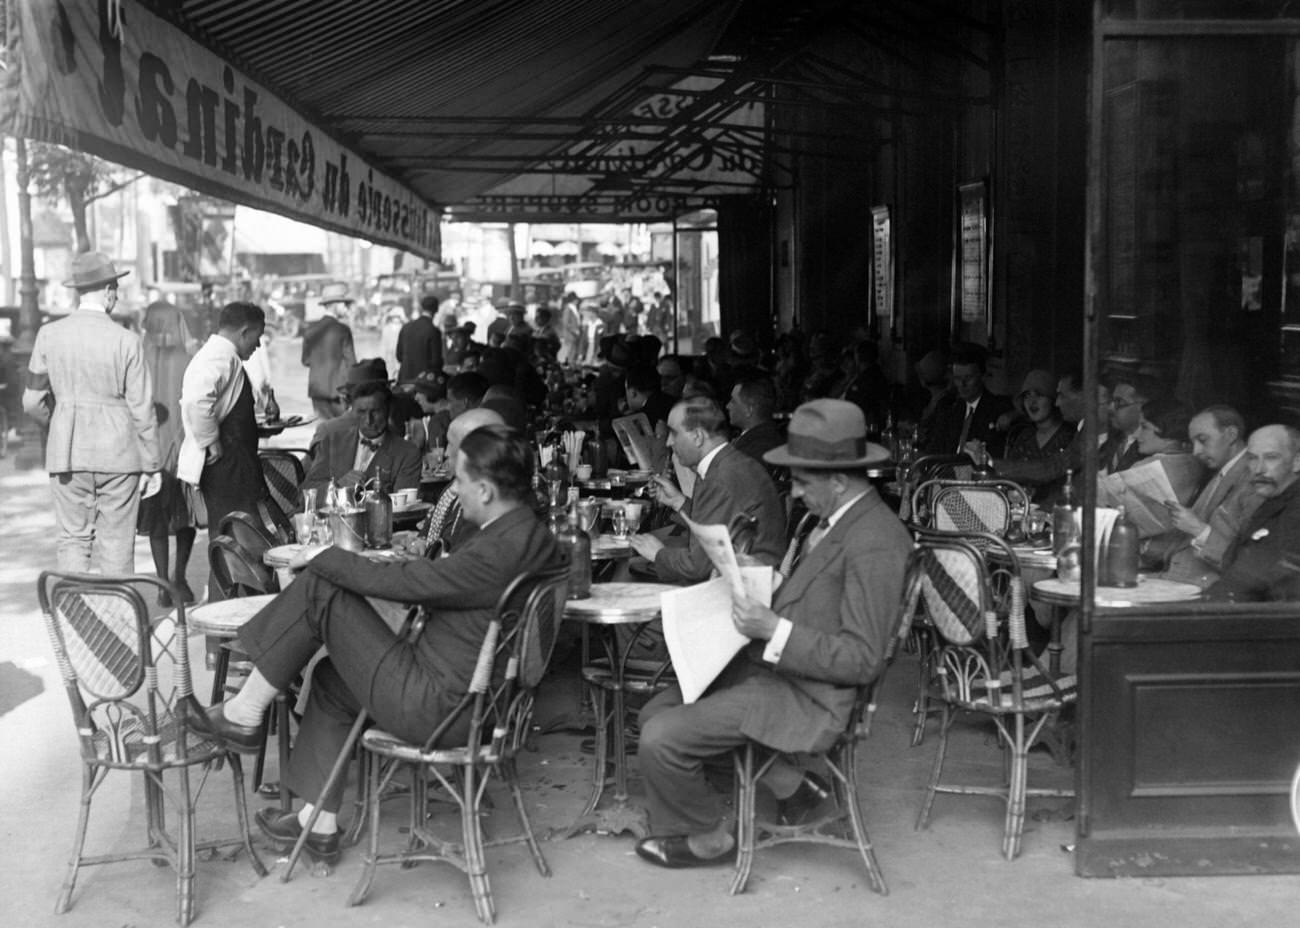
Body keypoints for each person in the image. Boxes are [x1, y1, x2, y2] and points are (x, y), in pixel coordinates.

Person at [192, 426, 564, 862]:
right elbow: (448, 585)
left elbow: (411, 584)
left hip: (442, 707)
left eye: (459, 481)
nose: (455, 490)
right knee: (333, 679)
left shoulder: (498, 550)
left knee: (320, 589)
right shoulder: (533, 535)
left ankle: (245, 712)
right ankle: (319, 821)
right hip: (484, 702)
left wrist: (323, 557)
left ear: (484, 489)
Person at [633, 399, 911, 868]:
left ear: (838, 480)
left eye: (802, 482)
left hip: (812, 695)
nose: (796, 494)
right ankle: (788, 783)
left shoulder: (876, 542)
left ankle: (708, 837)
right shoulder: (839, 521)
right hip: (784, 673)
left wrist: (774, 629)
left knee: (661, 736)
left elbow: (863, 659)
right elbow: (820, 599)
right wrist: (762, 581)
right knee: (655, 711)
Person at [23, 251, 161, 575]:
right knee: (116, 543)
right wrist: (152, 465)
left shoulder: (48, 335)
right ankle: (118, 621)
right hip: (120, 456)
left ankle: (79, 623)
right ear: (110, 289)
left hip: (67, 453)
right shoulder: (128, 341)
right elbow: (143, 410)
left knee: (72, 539)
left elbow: (31, 401)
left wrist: (57, 423)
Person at [628, 396, 786, 584]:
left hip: (745, 589)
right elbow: (718, 527)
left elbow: (697, 568)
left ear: (697, 436)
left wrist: (658, 554)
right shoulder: (727, 464)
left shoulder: (721, 477)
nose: (668, 442)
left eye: (674, 433)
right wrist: (679, 502)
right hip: (743, 576)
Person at [178, 302, 270, 599]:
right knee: (234, 545)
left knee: (239, 541)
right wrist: (210, 439)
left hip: (236, 463)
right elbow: (196, 401)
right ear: (245, 331)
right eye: (257, 337)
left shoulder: (223, 355)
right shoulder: (219, 355)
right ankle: (229, 613)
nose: (257, 345)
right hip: (226, 468)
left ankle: (236, 606)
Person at [1143, 405, 1260, 588]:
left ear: (1231, 434)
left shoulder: (1252, 480)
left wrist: (1197, 529)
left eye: (1203, 440)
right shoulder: (1219, 472)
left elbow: (1246, 559)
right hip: (1174, 577)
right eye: (1194, 442)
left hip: (1203, 588)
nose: (1196, 451)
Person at [138, 301, 199, 606]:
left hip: (150, 452)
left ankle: (163, 583)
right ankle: (180, 578)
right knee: (185, 518)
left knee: (157, 522)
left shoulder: (138, 360)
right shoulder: (189, 360)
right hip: (183, 450)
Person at [1205, 424, 1300, 603]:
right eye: (1252, 458)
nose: (1258, 469)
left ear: (1297, 461)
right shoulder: (1273, 500)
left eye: (1271, 458)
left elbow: (1254, 579)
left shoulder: (1295, 511)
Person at [401, 406, 507, 558]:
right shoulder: (453, 487)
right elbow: (430, 535)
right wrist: (421, 542)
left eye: (450, 443)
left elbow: (456, 564)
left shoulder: (484, 502)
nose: (445, 453)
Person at [300, 381, 421, 495]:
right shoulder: (332, 442)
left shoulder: (408, 453)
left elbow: (403, 507)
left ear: (388, 410)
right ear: (351, 411)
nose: (368, 420)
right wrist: (337, 487)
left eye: (375, 411)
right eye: (361, 412)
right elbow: (306, 492)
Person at [922, 342, 1013, 458]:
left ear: (982, 376)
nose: (962, 384)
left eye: (968, 378)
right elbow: (934, 449)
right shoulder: (948, 407)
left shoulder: (997, 408)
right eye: (958, 378)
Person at [1000, 369, 1075, 503]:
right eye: (1027, 395)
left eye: (1039, 395)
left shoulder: (1070, 436)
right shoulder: (1024, 436)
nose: (1032, 401)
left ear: (1053, 400)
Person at [301, 284, 357, 421]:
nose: (346, 308)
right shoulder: (343, 330)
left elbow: (306, 361)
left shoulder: (310, 330)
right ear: (335, 304)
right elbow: (352, 363)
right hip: (338, 392)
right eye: (345, 304)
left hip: (317, 391)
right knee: (342, 432)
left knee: (324, 431)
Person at [1098, 374, 1154, 474]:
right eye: (1112, 401)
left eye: (1119, 402)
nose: (1110, 408)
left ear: (1142, 407)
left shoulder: (1151, 447)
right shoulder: (1111, 440)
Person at [726, 377, 785, 466]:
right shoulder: (758, 440)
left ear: (749, 410)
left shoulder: (758, 449)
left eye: (733, 401)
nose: (728, 406)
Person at [396, 294, 443, 381]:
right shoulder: (434, 331)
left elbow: (399, 356)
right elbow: (436, 362)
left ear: (422, 308)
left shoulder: (406, 327)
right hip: (424, 383)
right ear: (437, 309)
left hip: (404, 379)